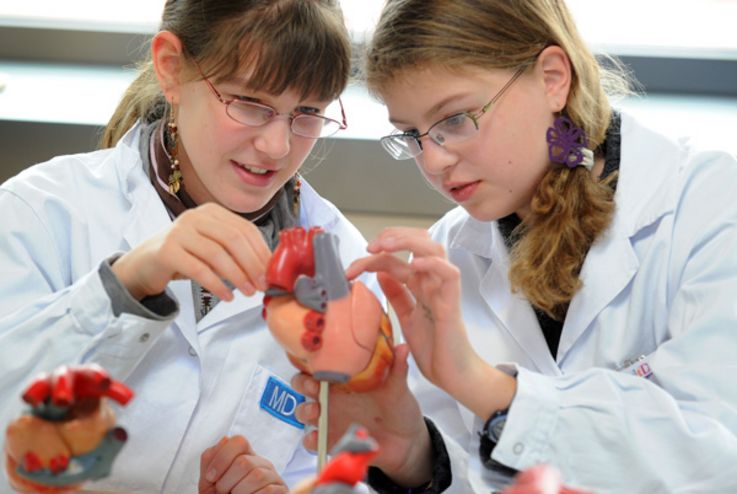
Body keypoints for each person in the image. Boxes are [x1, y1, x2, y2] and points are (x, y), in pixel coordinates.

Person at [291, 0, 737, 492]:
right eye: (412, 136)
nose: (433, 161)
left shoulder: (708, 204)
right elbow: (474, 476)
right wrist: (413, 454)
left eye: (456, 119)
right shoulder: (446, 258)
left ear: (552, 78)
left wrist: (483, 386)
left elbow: (715, 455)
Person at [0, 1, 375, 492]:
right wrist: (129, 283)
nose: (278, 146)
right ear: (172, 69)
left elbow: (353, 464)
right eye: (250, 103)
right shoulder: (41, 213)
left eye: (307, 113)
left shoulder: (342, 262)